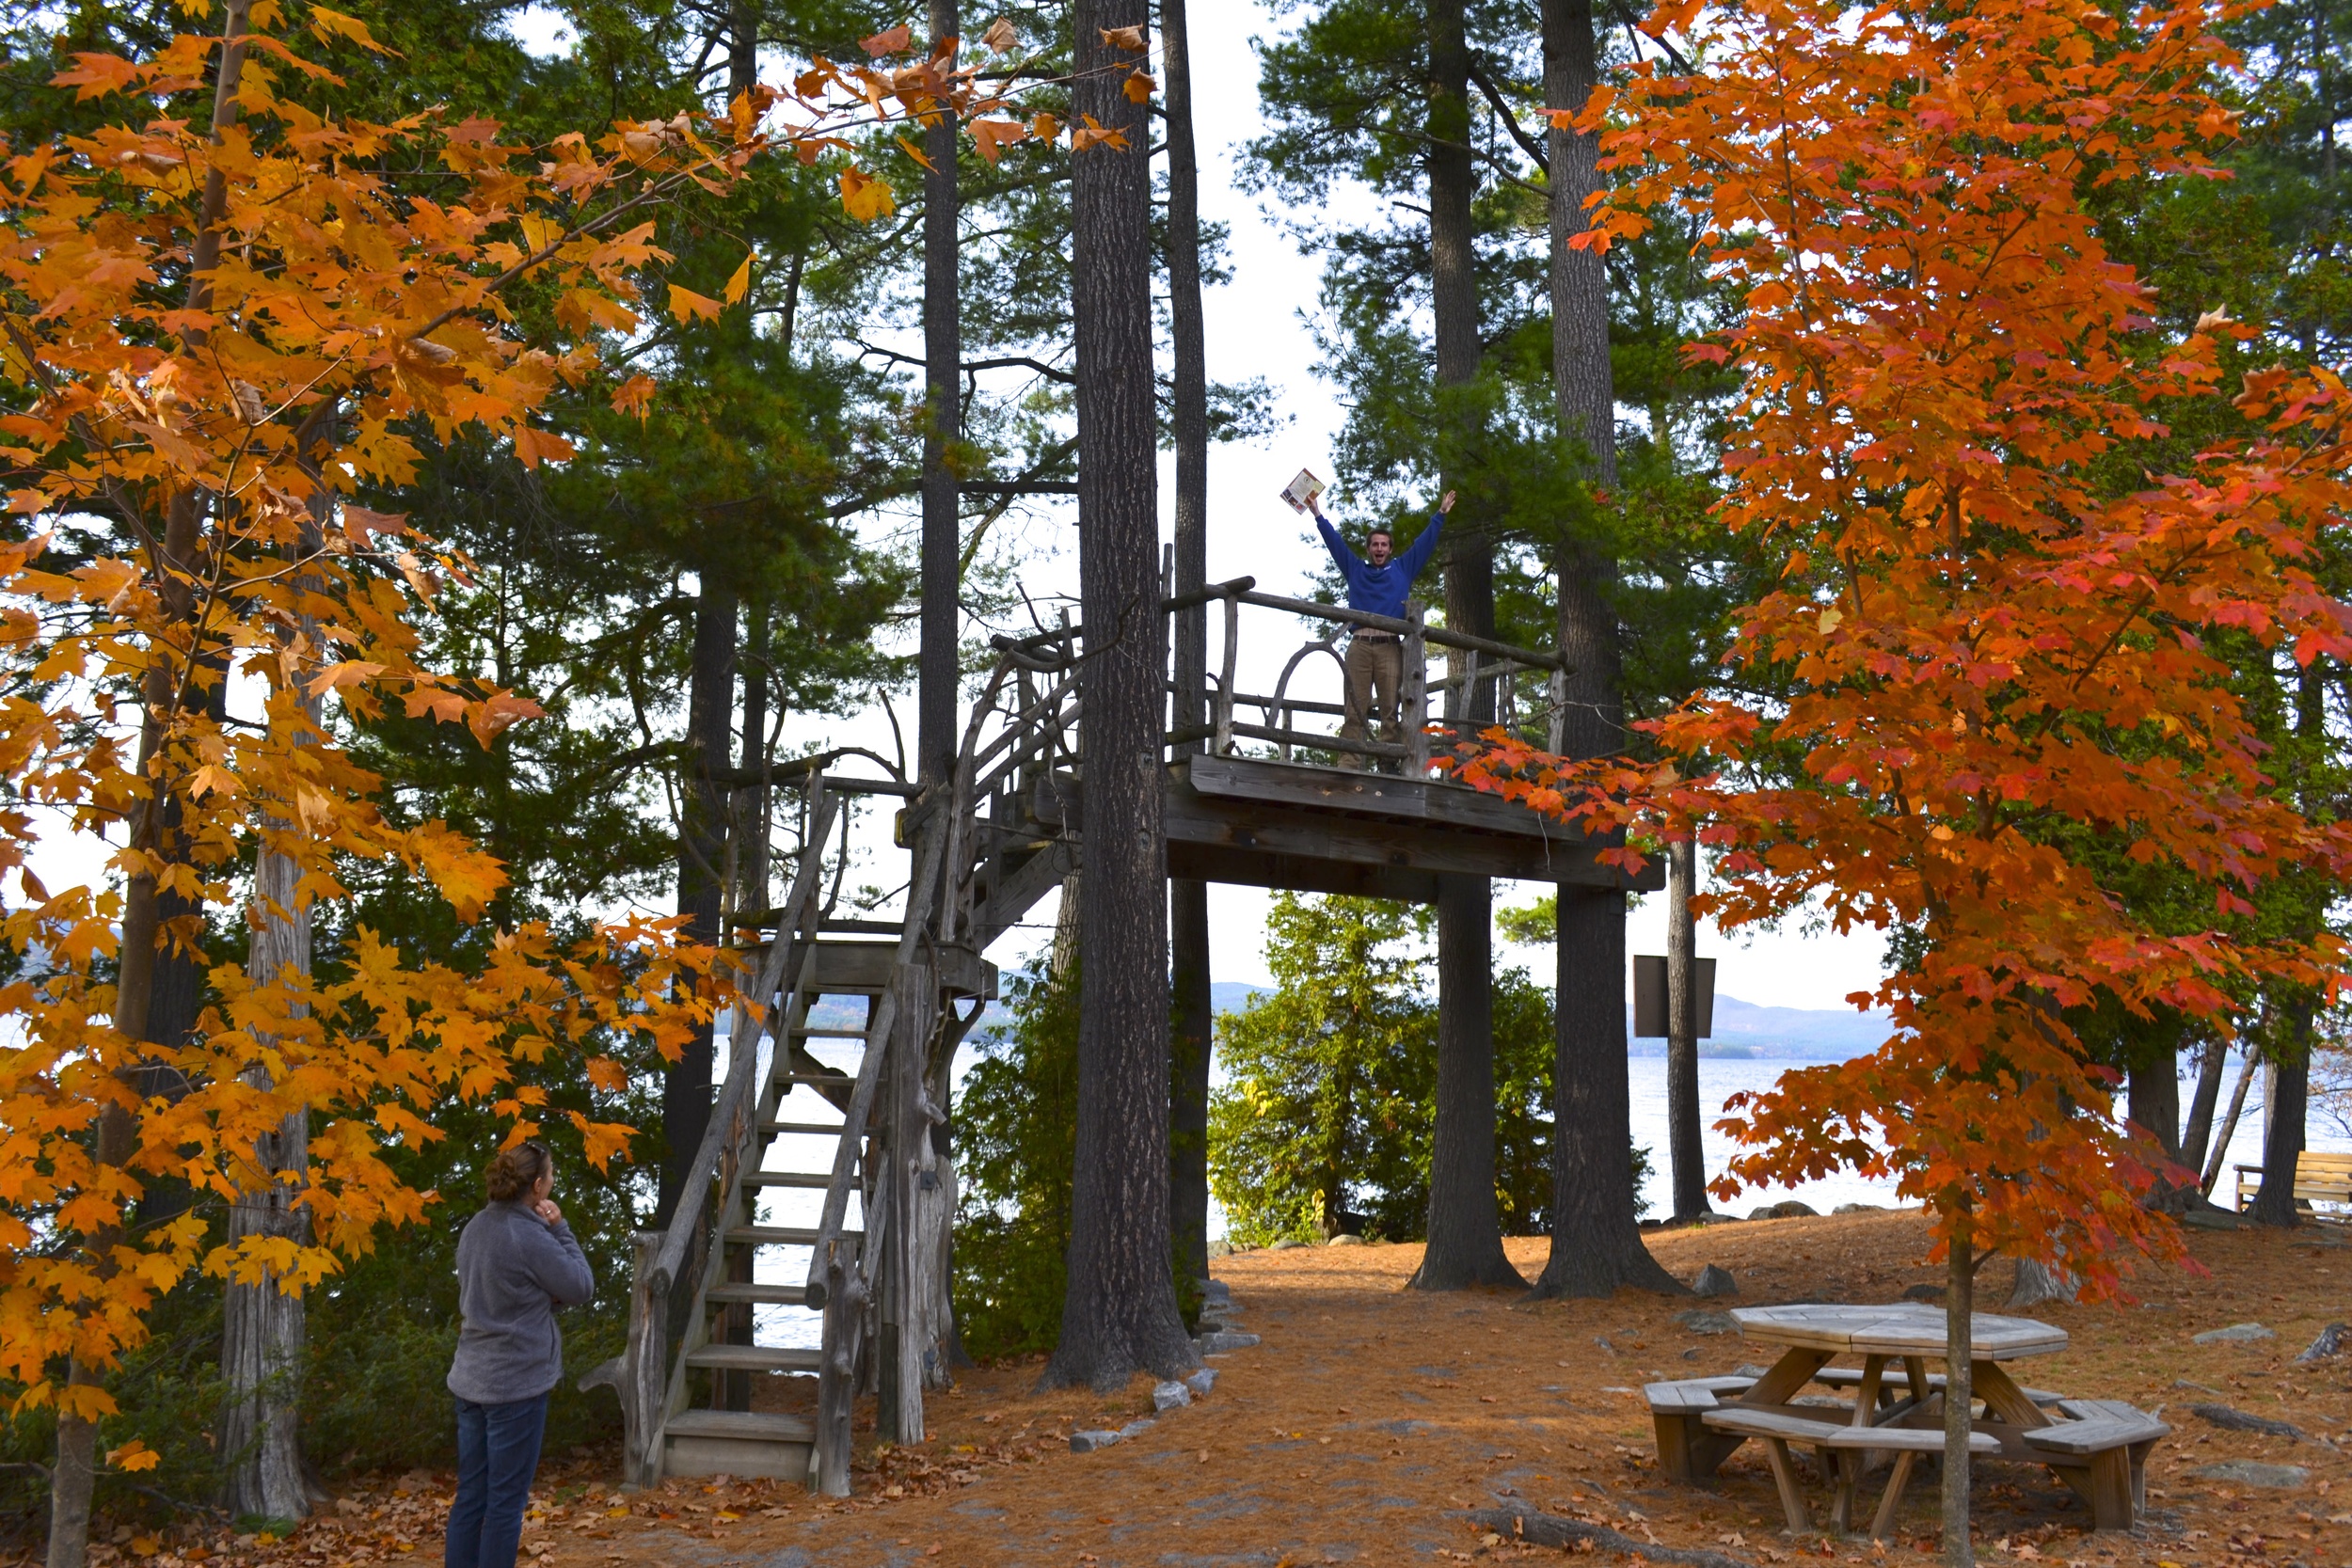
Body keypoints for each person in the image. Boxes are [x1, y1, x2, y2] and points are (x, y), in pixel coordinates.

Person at [444, 1141, 593, 1568]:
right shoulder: (530, 1234)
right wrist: (560, 1228)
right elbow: (580, 1286)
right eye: (552, 1175)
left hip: (470, 1379)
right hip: (514, 1387)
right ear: (539, 1186)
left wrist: (542, 1298)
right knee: (505, 1505)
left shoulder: (475, 1227)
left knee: (471, 1496)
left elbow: (494, 1291)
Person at [1308, 487, 1457, 767]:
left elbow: (1424, 545)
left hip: (1390, 647)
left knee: (1390, 708)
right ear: (1368, 549)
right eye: (1375, 545)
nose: (1379, 549)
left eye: (1384, 545)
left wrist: (1440, 515)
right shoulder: (1356, 570)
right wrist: (1318, 514)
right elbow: (1335, 544)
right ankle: (1350, 761)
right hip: (1360, 647)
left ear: (1390, 549)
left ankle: (1387, 764)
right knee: (1355, 708)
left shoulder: (1402, 568)